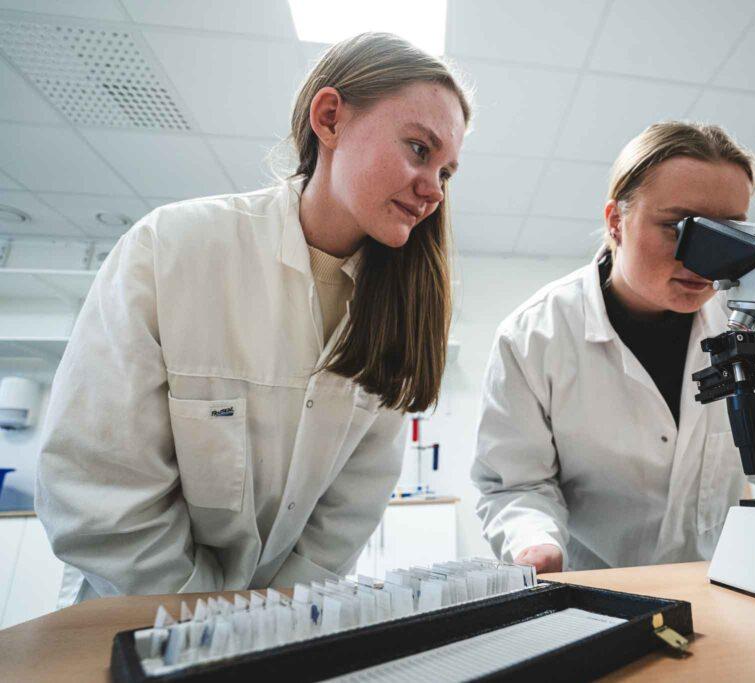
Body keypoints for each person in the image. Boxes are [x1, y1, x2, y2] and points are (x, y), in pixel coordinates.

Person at [35, 33, 470, 602]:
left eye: (446, 171)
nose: (433, 190)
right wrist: (207, 617)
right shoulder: (172, 249)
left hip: (281, 628)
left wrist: (269, 619)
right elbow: (97, 485)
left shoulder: (400, 312)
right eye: (419, 149)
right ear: (330, 117)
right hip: (138, 616)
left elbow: (345, 513)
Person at [472, 122, 755, 573]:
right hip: (601, 591)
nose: (704, 256)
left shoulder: (751, 325)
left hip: (725, 582)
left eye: (727, 231)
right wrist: (533, 543)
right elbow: (515, 485)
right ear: (616, 221)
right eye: (678, 227)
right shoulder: (533, 336)